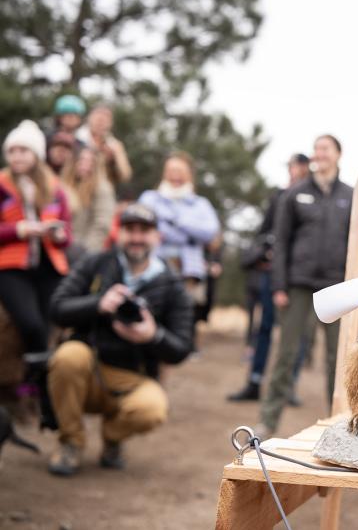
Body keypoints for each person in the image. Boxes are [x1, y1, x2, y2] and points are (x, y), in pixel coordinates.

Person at [46, 203, 193, 476]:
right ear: (118, 233)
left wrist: (153, 335)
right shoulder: (96, 263)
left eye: (144, 231)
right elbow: (57, 308)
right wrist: (99, 303)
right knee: (67, 356)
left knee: (153, 409)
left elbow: (183, 348)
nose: (136, 237)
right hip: (89, 366)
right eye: (130, 230)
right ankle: (71, 442)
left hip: (133, 376)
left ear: (157, 237)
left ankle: (112, 437)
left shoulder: (173, 286)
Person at [257, 136, 352, 436]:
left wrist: (357, 286)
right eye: (317, 148)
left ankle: (340, 422)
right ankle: (268, 421)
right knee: (286, 354)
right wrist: (279, 285)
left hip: (336, 287)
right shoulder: (295, 194)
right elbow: (281, 242)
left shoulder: (351, 195)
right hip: (298, 286)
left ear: (338, 154)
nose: (319, 153)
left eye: (326, 148)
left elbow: (356, 242)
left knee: (337, 359)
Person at [0, 121, 72, 418]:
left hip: (47, 265)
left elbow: (68, 234)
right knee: (30, 325)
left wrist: (56, 234)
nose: (16, 156)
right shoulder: (2, 185)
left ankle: (41, 390)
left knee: (53, 321)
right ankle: (31, 387)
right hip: (11, 266)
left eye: (23, 150)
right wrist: (19, 229)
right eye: (12, 150)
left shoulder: (55, 190)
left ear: (36, 155)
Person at [228, 153, 310, 404]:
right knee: (264, 327)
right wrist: (264, 251)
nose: (293, 170)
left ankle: (288, 387)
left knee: (297, 334)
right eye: (291, 165)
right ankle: (254, 381)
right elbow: (264, 231)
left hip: (298, 275)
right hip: (272, 272)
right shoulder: (278, 196)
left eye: (297, 165)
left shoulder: (313, 198)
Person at [138, 151, 219, 349]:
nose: (175, 174)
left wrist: (174, 220)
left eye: (179, 170)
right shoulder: (150, 198)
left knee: (181, 313)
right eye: (171, 170)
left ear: (189, 175)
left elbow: (210, 231)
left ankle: (176, 350)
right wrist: (189, 235)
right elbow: (144, 224)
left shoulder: (200, 204)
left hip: (187, 270)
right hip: (153, 265)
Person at [62, 146, 116, 257]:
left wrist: (86, 254)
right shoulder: (64, 186)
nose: (85, 165)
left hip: (82, 251)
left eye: (90, 161)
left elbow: (102, 225)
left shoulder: (101, 188)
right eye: (81, 159)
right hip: (62, 249)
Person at [76, 104, 132, 186]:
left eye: (106, 117)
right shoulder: (77, 138)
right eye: (98, 116)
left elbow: (126, 175)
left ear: (111, 123)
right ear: (89, 118)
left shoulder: (114, 145)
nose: (101, 120)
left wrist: (117, 155)